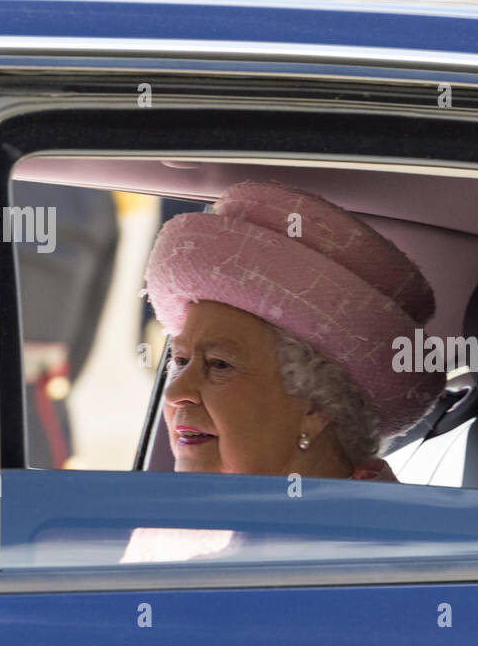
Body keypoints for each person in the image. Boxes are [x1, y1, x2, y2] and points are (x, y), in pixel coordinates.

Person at [142, 179, 444, 481]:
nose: (175, 392)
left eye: (219, 364)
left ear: (318, 407)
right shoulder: (199, 518)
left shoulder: (364, 524)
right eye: (180, 362)